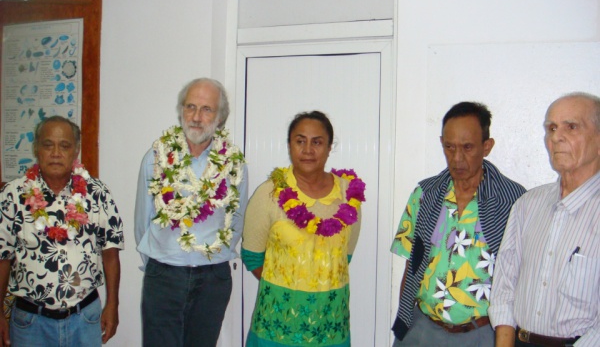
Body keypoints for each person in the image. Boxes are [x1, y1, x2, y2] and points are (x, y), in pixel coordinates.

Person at [390, 102, 526, 346]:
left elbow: (521, 276)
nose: (457, 158)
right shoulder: (425, 194)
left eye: (467, 147)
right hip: (422, 329)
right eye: (449, 147)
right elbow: (412, 263)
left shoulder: (514, 200)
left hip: (482, 334)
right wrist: (405, 322)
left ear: (487, 147)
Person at [134, 77, 248, 347]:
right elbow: (143, 219)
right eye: (190, 107)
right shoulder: (156, 157)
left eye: (207, 109)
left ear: (220, 118)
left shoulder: (233, 163)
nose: (196, 117)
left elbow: (238, 219)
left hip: (212, 279)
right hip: (164, 275)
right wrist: (160, 261)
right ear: (181, 110)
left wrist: (213, 254)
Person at [241, 110, 365, 346]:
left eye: (317, 142)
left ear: (329, 148)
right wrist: (290, 287)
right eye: (300, 141)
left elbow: (344, 256)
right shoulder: (268, 193)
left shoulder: (350, 196)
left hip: (330, 324)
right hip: (277, 326)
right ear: (289, 145)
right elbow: (252, 256)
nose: (308, 150)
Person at [0, 116, 124, 347]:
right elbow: (2, 257)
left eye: (64, 145)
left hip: (84, 317)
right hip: (30, 322)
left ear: (75, 150)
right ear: (37, 148)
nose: (56, 152)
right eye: (48, 145)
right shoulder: (12, 195)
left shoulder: (97, 193)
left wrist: (112, 305)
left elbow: (111, 253)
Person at [489, 92, 600, 347]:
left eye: (571, 127)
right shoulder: (528, 205)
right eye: (551, 128)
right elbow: (504, 286)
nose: (556, 137)